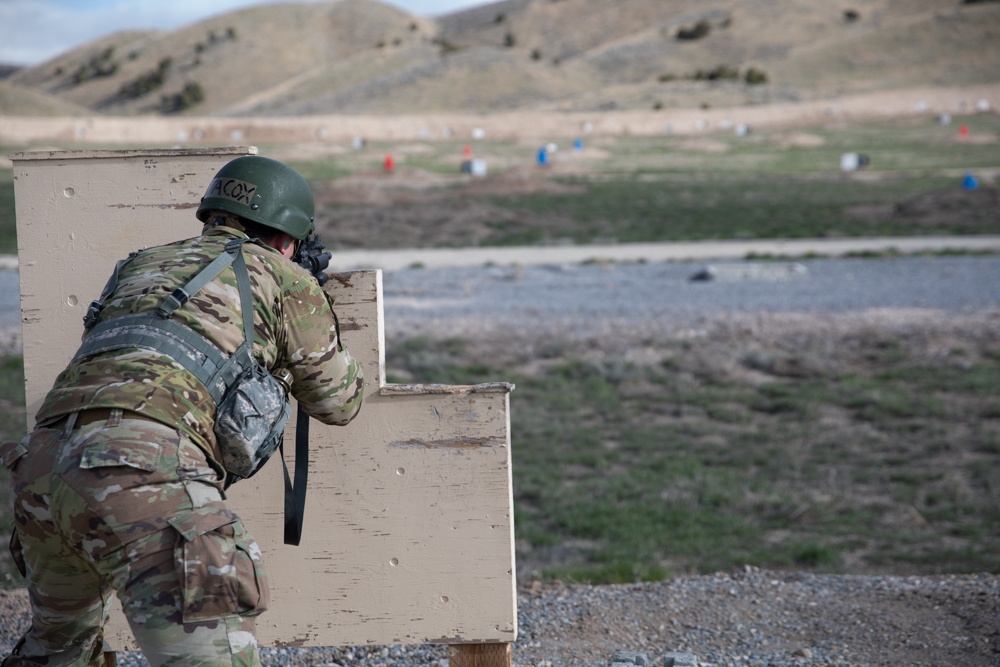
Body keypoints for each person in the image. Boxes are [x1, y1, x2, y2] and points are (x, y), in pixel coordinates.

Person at [1, 155, 364, 666]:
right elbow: (338, 400)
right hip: (145, 472)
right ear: (288, 241)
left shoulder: (141, 264)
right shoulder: (284, 276)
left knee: (57, 651)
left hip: (41, 467)